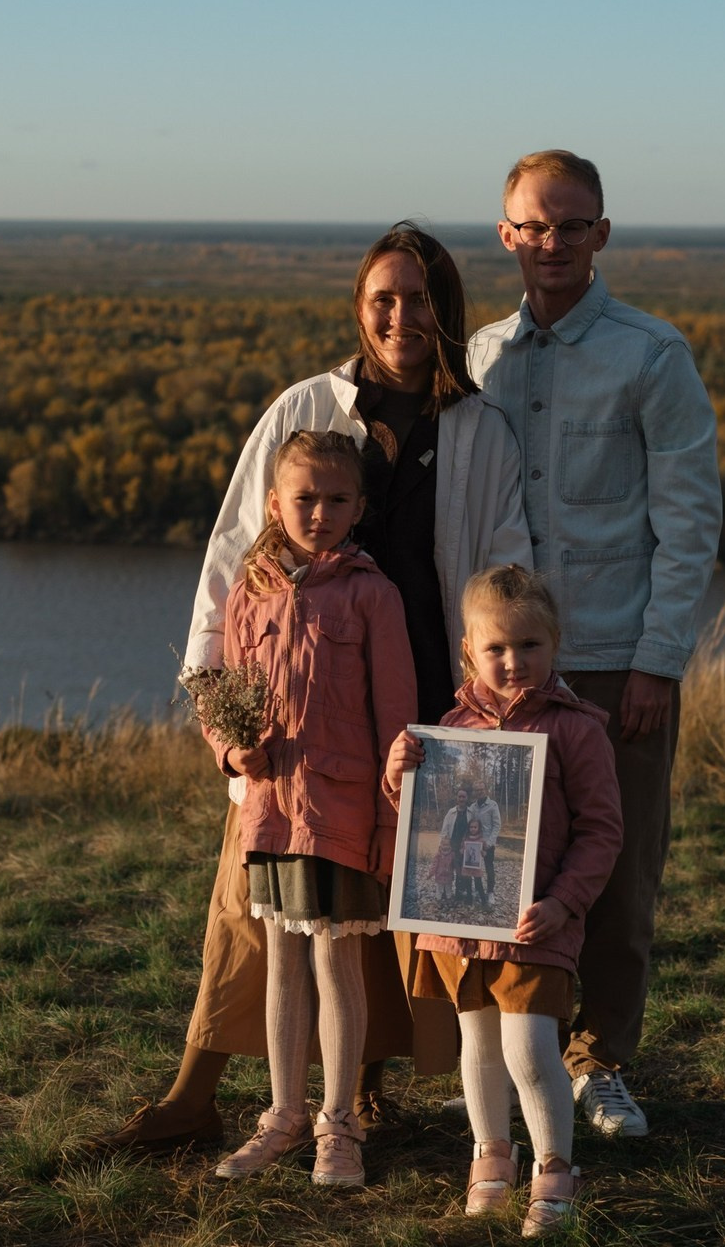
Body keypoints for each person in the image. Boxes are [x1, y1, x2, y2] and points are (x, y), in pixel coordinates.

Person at [84, 222, 531, 1156]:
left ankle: (483, 1127)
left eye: (420, 299)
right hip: (301, 724)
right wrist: (224, 725)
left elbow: (500, 572)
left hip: (434, 715)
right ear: (360, 307)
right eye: (384, 298)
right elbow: (229, 572)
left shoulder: (482, 429)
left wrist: (495, 706)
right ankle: (197, 1095)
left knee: (440, 916)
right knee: (257, 917)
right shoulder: (304, 410)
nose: (402, 316)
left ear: (449, 312)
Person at [468, 150, 722, 1138]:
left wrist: (658, 657)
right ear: (505, 235)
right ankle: (506, 1057)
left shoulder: (651, 355)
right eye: (533, 226)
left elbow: (688, 518)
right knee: (497, 866)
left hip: (617, 658)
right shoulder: (480, 356)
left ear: (601, 234)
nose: (551, 243)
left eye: (571, 225)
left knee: (615, 872)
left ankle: (600, 1062)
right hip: (502, 665)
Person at [204, 430, 416, 1188]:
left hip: (345, 812)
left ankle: (340, 1126)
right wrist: (233, 755)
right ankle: (283, 1116)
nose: (319, 513)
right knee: (282, 963)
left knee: (336, 961)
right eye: (304, 498)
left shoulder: (372, 594)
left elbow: (397, 723)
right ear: (274, 503)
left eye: (335, 500)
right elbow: (222, 702)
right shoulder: (247, 593)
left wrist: (391, 825)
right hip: (269, 813)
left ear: (359, 507)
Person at [387, 565, 623, 1236]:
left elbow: (604, 830)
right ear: (469, 651)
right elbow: (418, 819)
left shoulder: (577, 729)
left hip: (534, 922)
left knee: (529, 1048)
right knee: (478, 1047)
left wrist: (564, 903)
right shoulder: (450, 727)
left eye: (529, 646)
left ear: (555, 645)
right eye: (496, 649)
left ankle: (556, 1167)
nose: (513, 662)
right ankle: (491, 1155)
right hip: (460, 921)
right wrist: (397, 773)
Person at [471, 785, 502, 901]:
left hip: (488, 843)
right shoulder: (473, 807)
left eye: (481, 789)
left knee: (489, 868)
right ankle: (479, 891)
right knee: (475, 868)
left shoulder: (493, 805)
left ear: (485, 790)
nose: (479, 792)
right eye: (477, 790)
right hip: (475, 843)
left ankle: (490, 893)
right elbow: (471, 824)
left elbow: (497, 825)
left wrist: (489, 843)